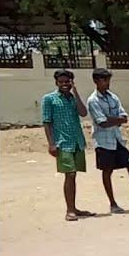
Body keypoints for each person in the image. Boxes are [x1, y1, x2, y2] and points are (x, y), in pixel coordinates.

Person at [87, 67, 129, 213]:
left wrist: (112, 119)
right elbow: (102, 122)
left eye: (108, 80)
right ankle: (112, 203)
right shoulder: (93, 100)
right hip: (103, 141)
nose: (107, 83)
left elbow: (124, 118)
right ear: (96, 81)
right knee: (107, 171)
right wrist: (116, 120)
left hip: (117, 139)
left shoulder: (113, 97)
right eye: (104, 80)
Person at [42, 69, 94, 221]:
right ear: (56, 83)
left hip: (77, 141)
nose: (64, 84)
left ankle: (74, 208)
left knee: (73, 175)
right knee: (69, 174)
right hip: (62, 142)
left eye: (67, 82)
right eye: (61, 82)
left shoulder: (72, 98)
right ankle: (69, 210)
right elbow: (46, 122)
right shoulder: (49, 99)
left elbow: (83, 113)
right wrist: (51, 144)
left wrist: (75, 92)